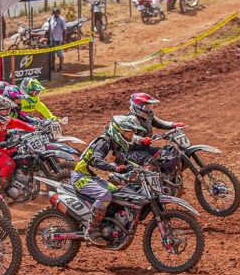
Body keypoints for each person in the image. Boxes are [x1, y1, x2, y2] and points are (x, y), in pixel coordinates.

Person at [71, 115, 145, 245]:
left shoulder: (115, 145)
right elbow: (96, 160)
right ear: (117, 131)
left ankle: (108, 225)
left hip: (92, 178)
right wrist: (114, 168)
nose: (130, 136)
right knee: (104, 195)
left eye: (132, 133)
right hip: (81, 177)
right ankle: (92, 231)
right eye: (128, 132)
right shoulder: (104, 142)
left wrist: (142, 168)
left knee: (119, 193)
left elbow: (125, 162)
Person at [123, 92, 185, 170]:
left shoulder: (148, 115)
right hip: (130, 151)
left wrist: (173, 125)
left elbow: (159, 123)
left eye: (150, 106)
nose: (149, 109)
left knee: (171, 156)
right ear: (137, 107)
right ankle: (153, 179)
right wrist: (141, 139)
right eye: (147, 107)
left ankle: (166, 178)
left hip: (144, 148)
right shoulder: (131, 119)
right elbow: (128, 135)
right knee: (152, 162)